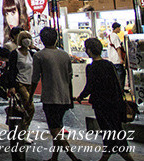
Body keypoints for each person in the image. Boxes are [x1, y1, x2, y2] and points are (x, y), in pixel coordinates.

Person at [77, 38, 135, 161]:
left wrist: (81, 97)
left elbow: (90, 86)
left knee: (108, 131)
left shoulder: (91, 68)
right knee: (115, 129)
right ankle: (110, 155)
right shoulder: (109, 64)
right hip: (115, 104)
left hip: (101, 105)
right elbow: (117, 84)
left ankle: (114, 154)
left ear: (89, 50)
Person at [30, 27, 80, 161]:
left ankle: (73, 158)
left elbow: (35, 79)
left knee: (55, 130)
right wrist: (70, 98)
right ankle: (54, 157)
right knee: (57, 128)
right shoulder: (64, 55)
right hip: (64, 96)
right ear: (56, 39)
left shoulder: (39, 56)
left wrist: (30, 97)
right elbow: (69, 77)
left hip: (50, 97)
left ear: (41, 40)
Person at [7, 31, 35, 141]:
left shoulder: (32, 54)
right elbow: (12, 70)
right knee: (30, 107)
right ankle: (23, 132)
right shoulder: (15, 53)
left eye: (29, 37)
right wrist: (12, 86)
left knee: (26, 109)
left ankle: (23, 131)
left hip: (30, 83)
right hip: (20, 83)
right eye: (24, 38)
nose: (27, 40)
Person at [107, 22, 126, 89]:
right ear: (117, 28)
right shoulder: (115, 36)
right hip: (117, 60)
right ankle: (121, 92)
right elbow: (118, 48)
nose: (120, 29)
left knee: (115, 78)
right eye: (119, 28)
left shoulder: (110, 36)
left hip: (112, 60)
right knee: (120, 78)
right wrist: (121, 59)